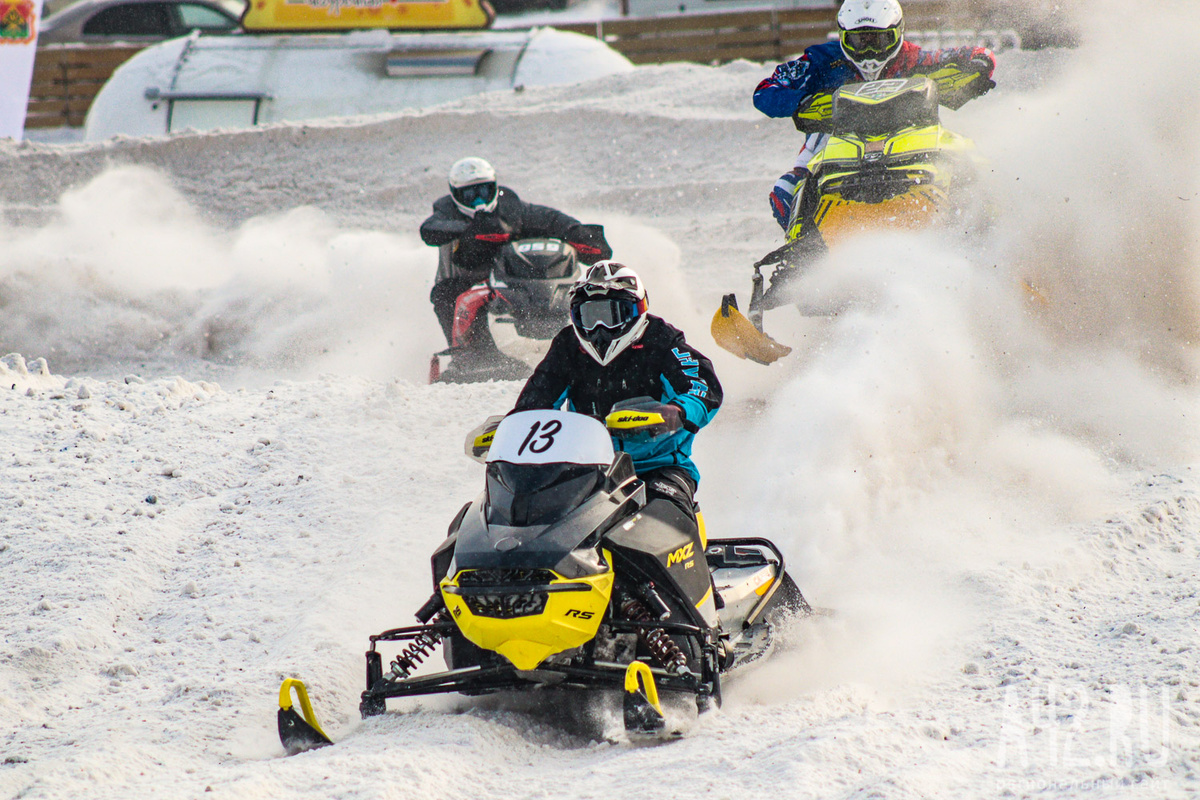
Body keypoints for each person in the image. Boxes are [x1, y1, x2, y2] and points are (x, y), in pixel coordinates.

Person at [511, 261, 722, 536]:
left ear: (636, 311)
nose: (600, 328)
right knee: (522, 514)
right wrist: (512, 430)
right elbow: (535, 401)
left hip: (657, 468)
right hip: (584, 469)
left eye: (612, 314)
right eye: (590, 316)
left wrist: (676, 412)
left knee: (661, 523)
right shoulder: (568, 346)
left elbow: (703, 387)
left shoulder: (662, 341)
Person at [753, 0, 997, 231]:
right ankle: (803, 252)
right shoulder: (820, 60)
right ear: (842, 38)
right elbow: (765, 91)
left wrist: (979, 64)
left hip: (908, 141)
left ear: (897, 33)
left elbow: (975, 53)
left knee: (970, 158)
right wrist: (802, 102)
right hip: (832, 144)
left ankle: (984, 229)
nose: (869, 51)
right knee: (785, 190)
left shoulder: (913, 57)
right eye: (859, 41)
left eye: (879, 40)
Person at [419, 157, 612, 348]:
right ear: (455, 194)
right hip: (464, 279)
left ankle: (586, 336)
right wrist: (471, 231)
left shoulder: (511, 207)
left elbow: (549, 218)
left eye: (484, 191)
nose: (478, 200)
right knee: (445, 293)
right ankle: (471, 355)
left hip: (510, 279)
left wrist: (574, 231)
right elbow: (430, 229)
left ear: (494, 187)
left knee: (556, 277)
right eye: (469, 194)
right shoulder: (446, 212)